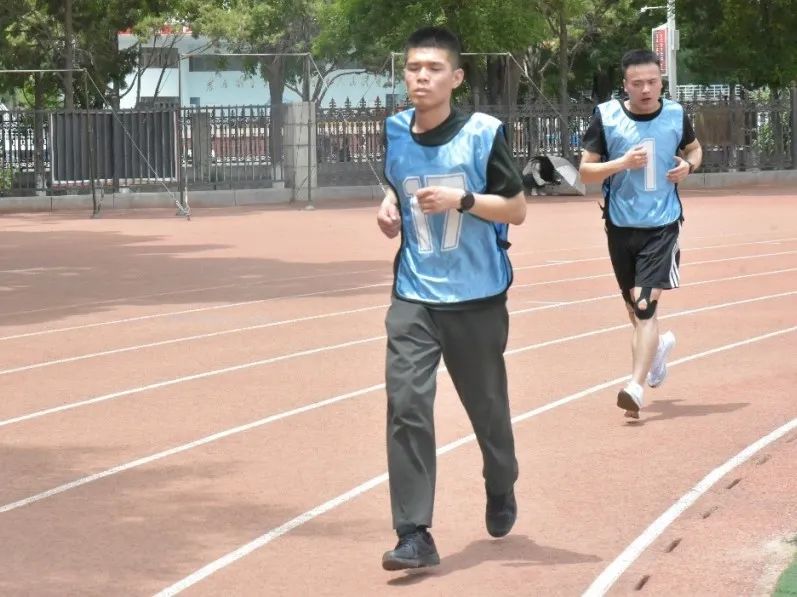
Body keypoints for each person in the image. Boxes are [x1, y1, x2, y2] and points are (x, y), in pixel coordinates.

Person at [376, 26, 527, 570]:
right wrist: (388, 204)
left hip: (476, 296)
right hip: (414, 295)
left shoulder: (483, 135)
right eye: (414, 67)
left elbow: (516, 209)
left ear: (456, 77)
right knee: (406, 405)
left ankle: (501, 480)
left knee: (489, 412)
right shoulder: (394, 130)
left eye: (434, 68)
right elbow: (397, 182)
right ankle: (413, 532)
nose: (422, 77)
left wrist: (463, 199)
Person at [579, 49, 703, 419]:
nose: (646, 89)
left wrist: (688, 166)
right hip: (620, 226)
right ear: (625, 85)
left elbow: (695, 150)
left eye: (652, 82)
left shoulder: (676, 114)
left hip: (662, 226)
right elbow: (585, 171)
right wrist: (621, 163)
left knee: (645, 305)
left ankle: (634, 386)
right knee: (634, 309)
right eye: (637, 83)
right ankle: (658, 347)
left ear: (661, 81)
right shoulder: (606, 116)